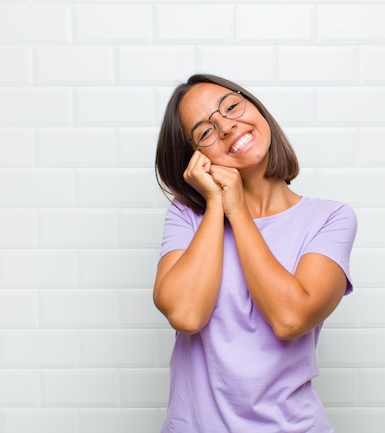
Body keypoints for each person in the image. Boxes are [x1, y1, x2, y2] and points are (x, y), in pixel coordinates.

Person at [153, 74, 357, 433]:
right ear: (196, 159)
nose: (229, 127)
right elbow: (186, 314)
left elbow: (289, 318)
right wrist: (217, 202)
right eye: (205, 131)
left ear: (256, 107)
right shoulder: (188, 216)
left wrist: (239, 211)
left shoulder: (330, 218)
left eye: (232, 107)